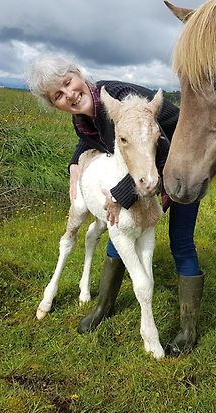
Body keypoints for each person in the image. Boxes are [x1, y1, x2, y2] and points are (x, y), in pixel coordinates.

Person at [28, 56, 204, 355]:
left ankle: (188, 330)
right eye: (58, 95)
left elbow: (158, 147)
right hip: (147, 172)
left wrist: (120, 195)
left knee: (181, 242)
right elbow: (92, 142)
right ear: (53, 104)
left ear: (80, 75)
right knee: (119, 230)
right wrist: (75, 165)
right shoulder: (85, 117)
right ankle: (104, 307)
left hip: (184, 166)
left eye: (68, 83)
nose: (68, 94)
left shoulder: (122, 101)